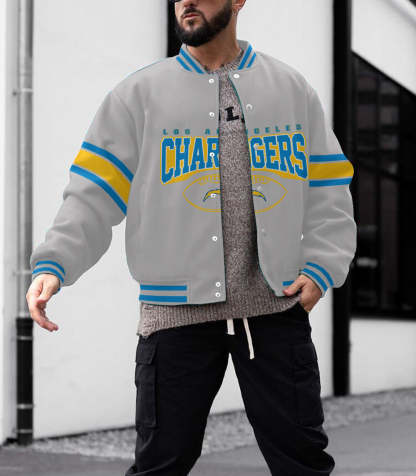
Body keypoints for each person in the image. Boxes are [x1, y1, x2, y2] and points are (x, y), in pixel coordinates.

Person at [26, 0, 357, 474]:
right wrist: (54, 263)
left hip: (274, 310)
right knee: (160, 466)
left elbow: (328, 187)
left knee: (303, 464)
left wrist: (321, 266)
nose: (186, 1)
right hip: (174, 316)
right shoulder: (137, 95)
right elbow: (93, 193)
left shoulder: (291, 89)